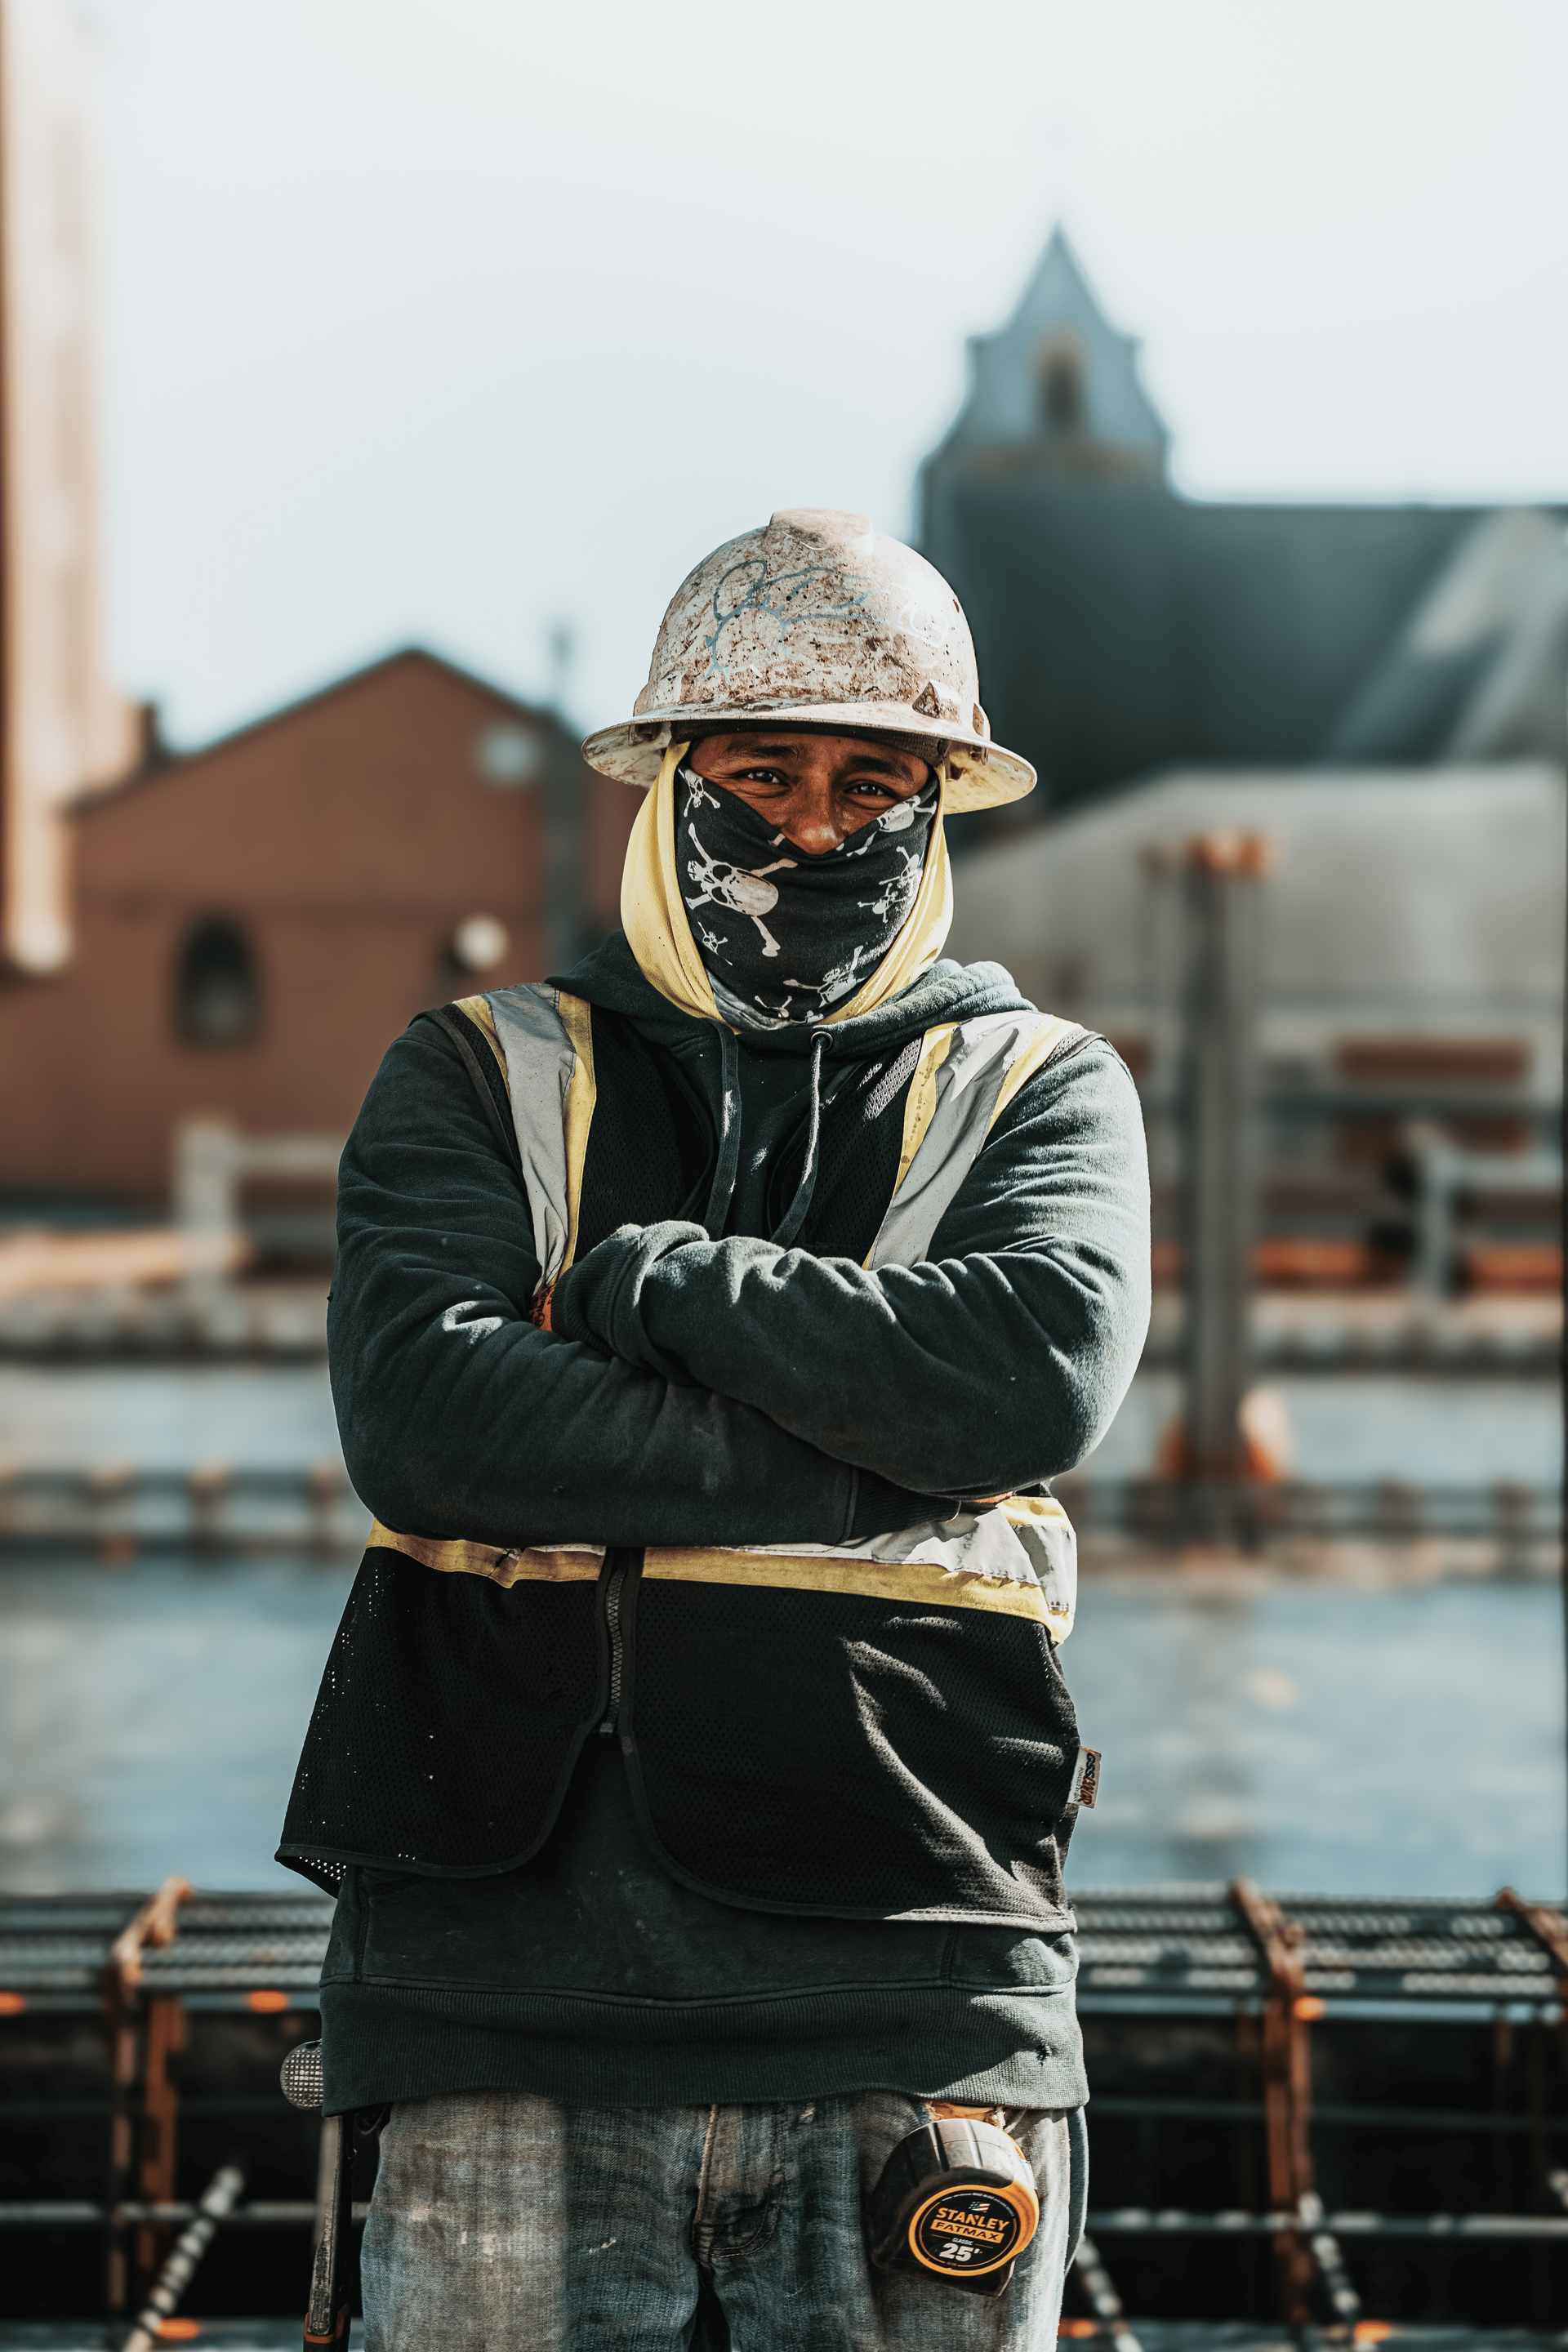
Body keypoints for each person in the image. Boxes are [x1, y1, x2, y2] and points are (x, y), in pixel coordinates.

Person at [278, 508, 1151, 2350]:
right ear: (667, 783)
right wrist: (882, 1450)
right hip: (494, 2005)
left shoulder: (1039, 1087)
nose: (814, 828)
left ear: (941, 804)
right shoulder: (473, 1069)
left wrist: (651, 1279)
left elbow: (1027, 1385)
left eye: (871, 779)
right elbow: (432, 1423)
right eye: (760, 773)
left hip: (923, 2007)